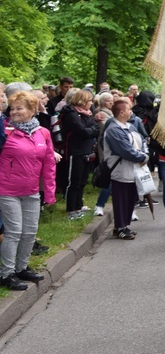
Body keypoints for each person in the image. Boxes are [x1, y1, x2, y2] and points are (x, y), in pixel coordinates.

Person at [0, 91, 56, 290]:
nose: (14, 112)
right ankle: (6, 273)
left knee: (30, 232)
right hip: (7, 190)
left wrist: (49, 192)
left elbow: (49, 164)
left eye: (19, 108)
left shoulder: (43, 133)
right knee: (14, 232)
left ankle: (21, 268)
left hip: (32, 191)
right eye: (12, 108)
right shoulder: (5, 131)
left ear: (32, 110)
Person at [102, 98, 148, 240]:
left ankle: (124, 225)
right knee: (121, 199)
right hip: (121, 170)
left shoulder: (128, 126)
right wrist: (142, 157)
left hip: (131, 170)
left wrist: (143, 152)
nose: (131, 112)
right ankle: (120, 227)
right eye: (128, 109)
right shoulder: (114, 130)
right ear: (122, 112)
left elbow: (141, 139)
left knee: (129, 198)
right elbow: (125, 150)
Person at [58, 88, 107, 220]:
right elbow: (82, 131)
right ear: (82, 100)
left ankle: (79, 205)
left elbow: (94, 129)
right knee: (74, 181)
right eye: (89, 101)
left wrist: (90, 129)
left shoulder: (87, 113)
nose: (91, 103)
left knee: (82, 180)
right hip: (75, 150)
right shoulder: (71, 114)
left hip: (86, 150)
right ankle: (71, 207)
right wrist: (91, 129)